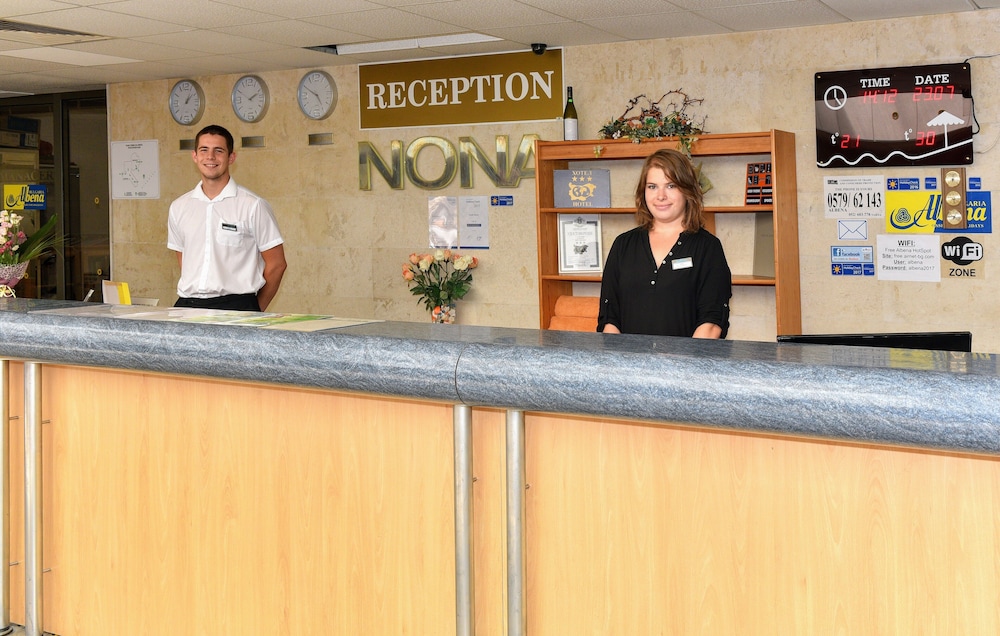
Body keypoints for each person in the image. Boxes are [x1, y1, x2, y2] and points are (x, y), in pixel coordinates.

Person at [598, 148, 731, 338]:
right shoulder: (623, 245)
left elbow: (711, 322)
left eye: (671, 186)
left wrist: (684, 358)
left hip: (688, 357)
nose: (660, 196)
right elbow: (609, 318)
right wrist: (619, 357)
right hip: (627, 357)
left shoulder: (708, 248)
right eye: (652, 186)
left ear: (687, 191)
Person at [167, 124, 286, 311]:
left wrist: (254, 310)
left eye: (218, 150)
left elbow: (277, 264)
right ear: (195, 156)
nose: (210, 157)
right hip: (187, 306)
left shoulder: (253, 205)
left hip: (237, 306)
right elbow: (184, 259)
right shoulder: (179, 207)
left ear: (231, 157)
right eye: (204, 150)